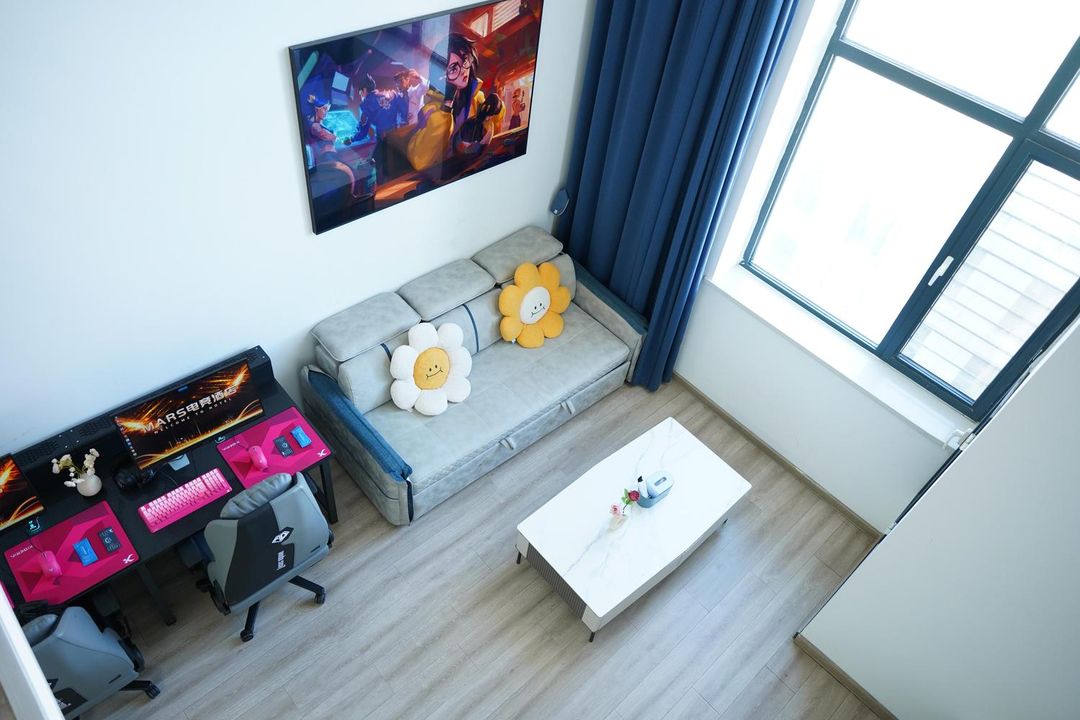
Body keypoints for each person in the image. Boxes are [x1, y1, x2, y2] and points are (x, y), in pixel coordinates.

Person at [406, 33, 504, 172]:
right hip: (446, 173)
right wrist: (446, 107)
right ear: (441, 75)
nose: (463, 71)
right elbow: (420, 161)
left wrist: (496, 109)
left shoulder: (476, 97)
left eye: (465, 61)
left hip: (474, 164)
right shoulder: (431, 109)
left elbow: (493, 127)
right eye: (453, 69)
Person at [305, 95, 337, 160]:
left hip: (326, 155)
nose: (326, 113)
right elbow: (329, 137)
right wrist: (334, 135)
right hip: (325, 157)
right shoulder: (315, 126)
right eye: (324, 109)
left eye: (327, 110)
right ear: (316, 109)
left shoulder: (316, 121)